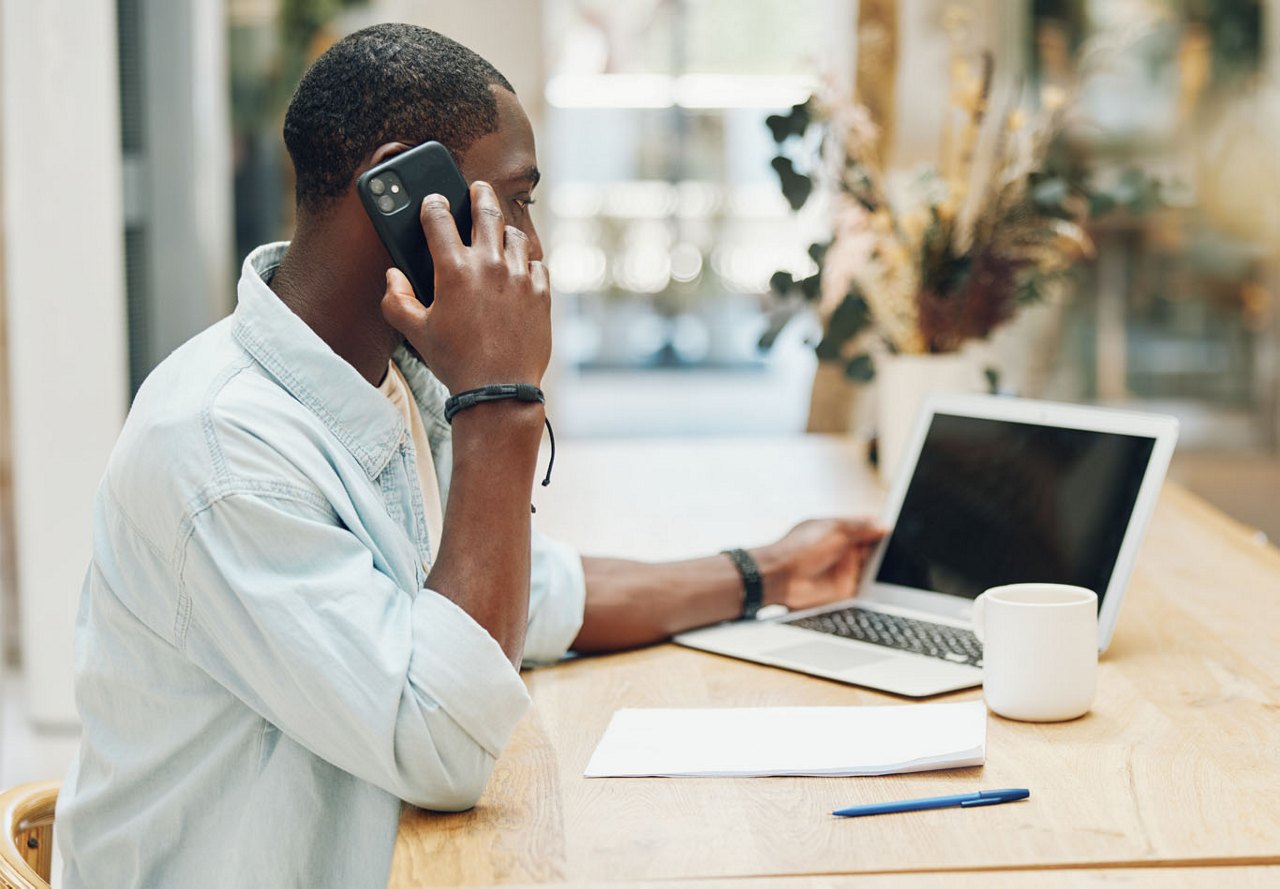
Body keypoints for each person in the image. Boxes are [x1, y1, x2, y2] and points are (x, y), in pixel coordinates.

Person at [57, 23, 882, 889]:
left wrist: (770, 572)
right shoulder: (222, 448)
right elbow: (442, 741)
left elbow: (533, 597)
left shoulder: (386, 375)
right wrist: (501, 399)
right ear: (399, 188)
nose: (529, 242)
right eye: (516, 200)